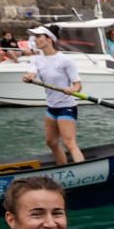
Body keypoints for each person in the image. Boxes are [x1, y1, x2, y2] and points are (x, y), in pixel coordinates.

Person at [22, 26, 84, 164]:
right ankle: (62, 167)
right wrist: (28, 77)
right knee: (51, 142)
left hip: (66, 106)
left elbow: (78, 85)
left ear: (49, 39)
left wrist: (72, 89)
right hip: (51, 108)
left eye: (39, 37)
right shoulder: (36, 59)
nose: (35, 40)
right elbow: (32, 72)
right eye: (35, 37)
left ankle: (82, 168)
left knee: (69, 142)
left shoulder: (65, 60)